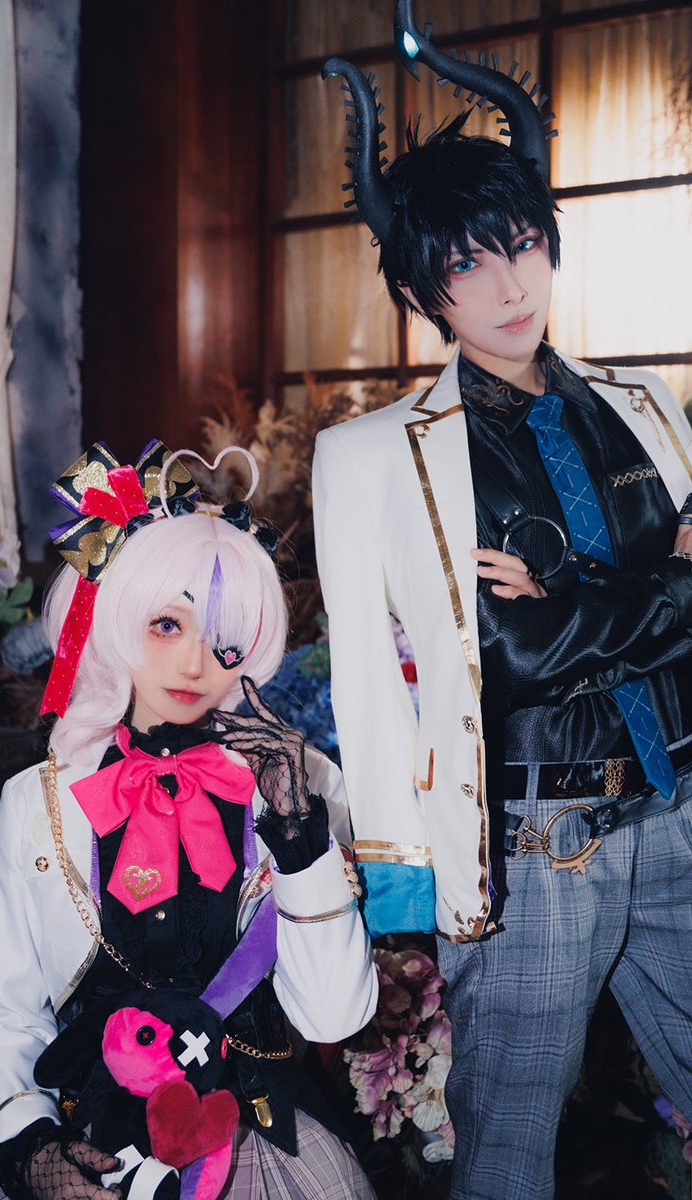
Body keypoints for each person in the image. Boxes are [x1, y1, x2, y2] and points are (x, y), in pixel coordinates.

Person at [313, 5, 692, 1198]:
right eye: (465, 264)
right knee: (509, 1151)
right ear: (424, 291)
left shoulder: (646, 406)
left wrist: (569, 595)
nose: (506, 284)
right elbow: (502, 657)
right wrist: (667, 583)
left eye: (520, 243)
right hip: (532, 847)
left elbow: (548, 627)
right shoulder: (372, 456)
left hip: (677, 806)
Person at [0, 439, 378, 1200]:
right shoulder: (39, 801)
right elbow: (1, 1015)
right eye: (167, 625)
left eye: (224, 639)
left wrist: (298, 837)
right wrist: (29, 1144)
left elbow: (333, 1014)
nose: (196, 664)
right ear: (113, 616)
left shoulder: (301, 789)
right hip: (84, 1147)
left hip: (258, 1141)